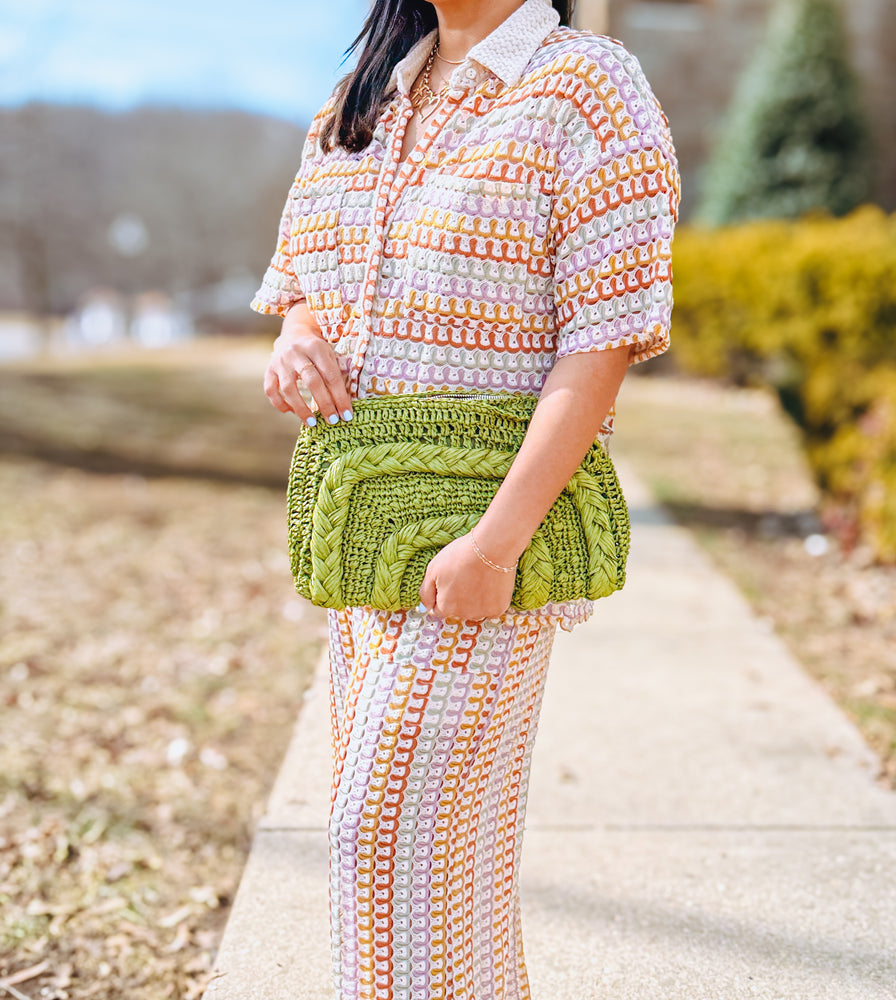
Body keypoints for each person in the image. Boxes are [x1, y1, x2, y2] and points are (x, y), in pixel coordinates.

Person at [254, 0, 680, 996]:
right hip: (361, 514)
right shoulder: (355, 99)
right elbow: (306, 278)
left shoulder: (590, 84)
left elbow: (605, 336)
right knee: (452, 867)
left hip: (490, 526)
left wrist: (500, 540)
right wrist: (298, 335)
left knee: (382, 839)